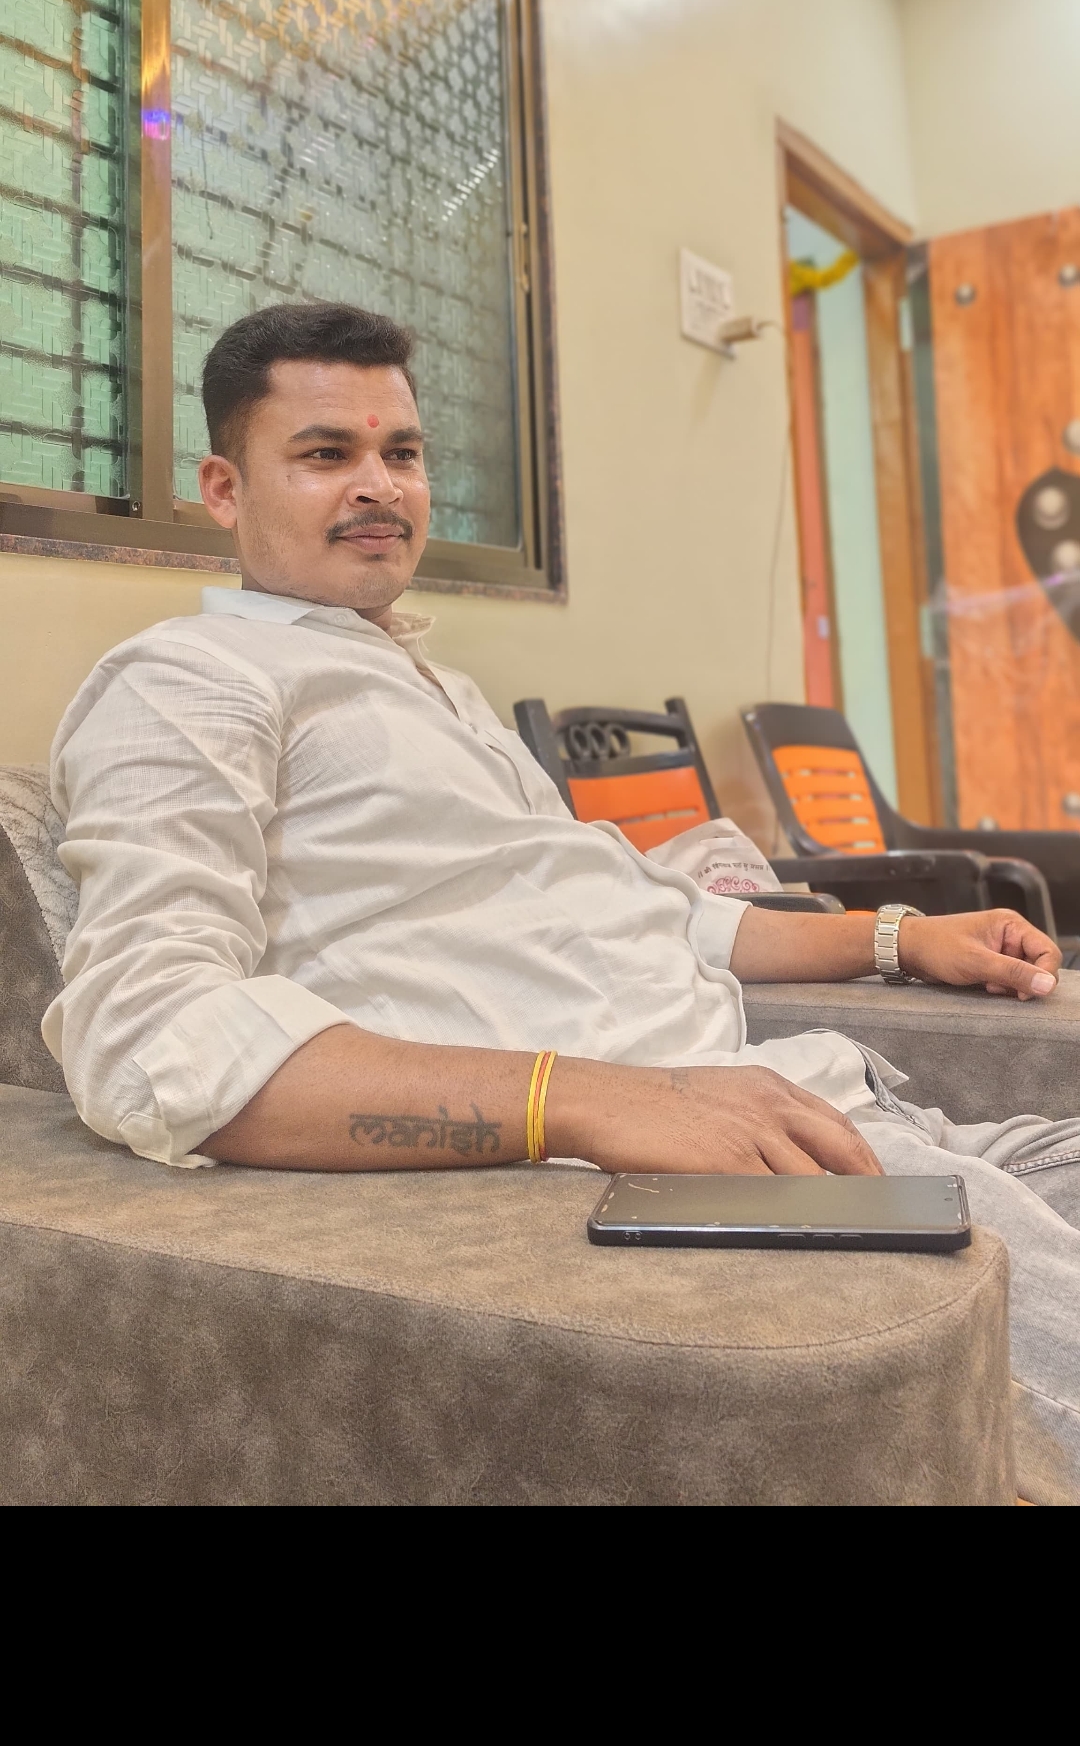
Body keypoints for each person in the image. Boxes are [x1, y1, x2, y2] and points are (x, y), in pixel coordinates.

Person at [46, 303, 1080, 1501]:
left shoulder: (439, 691)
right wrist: (585, 1099)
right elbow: (147, 1032)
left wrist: (899, 937)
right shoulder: (191, 680)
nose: (379, 484)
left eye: (402, 452)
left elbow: (653, 907)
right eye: (326, 453)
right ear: (224, 489)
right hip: (740, 1167)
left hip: (843, 1100)